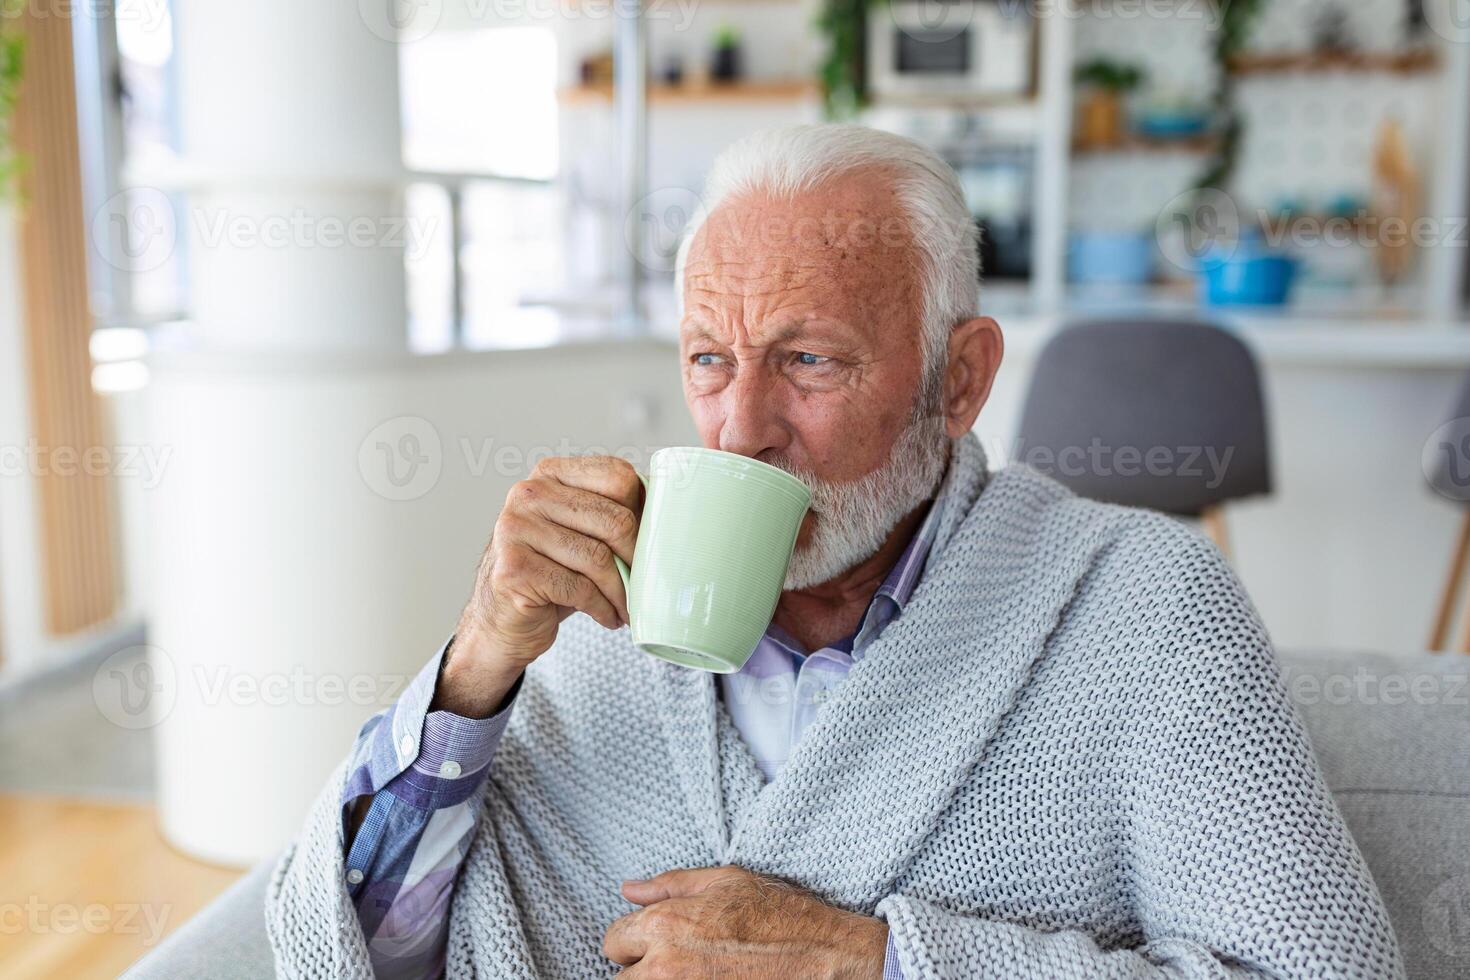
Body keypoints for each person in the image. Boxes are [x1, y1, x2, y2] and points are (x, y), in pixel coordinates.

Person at [266, 124, 1402, 979]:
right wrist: (473, 671)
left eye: (808, 359)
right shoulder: (591, 634)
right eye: (710, 358)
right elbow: (363, 950)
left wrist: (876, 959)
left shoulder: (1148, 605)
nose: (740, 426)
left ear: (958, 379)